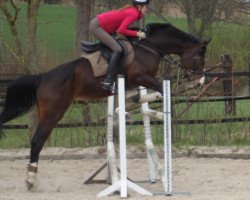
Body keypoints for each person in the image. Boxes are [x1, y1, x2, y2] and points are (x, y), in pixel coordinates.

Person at [89, 0, 150, 94]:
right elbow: (121, 30)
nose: (147, 9)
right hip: (97, 27)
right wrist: (137, 33)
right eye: (146, 7)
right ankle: (108, 82)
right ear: (139, 6)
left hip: (102, 26)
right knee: (117, 49)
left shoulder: (134, 11)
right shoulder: (133, 13)